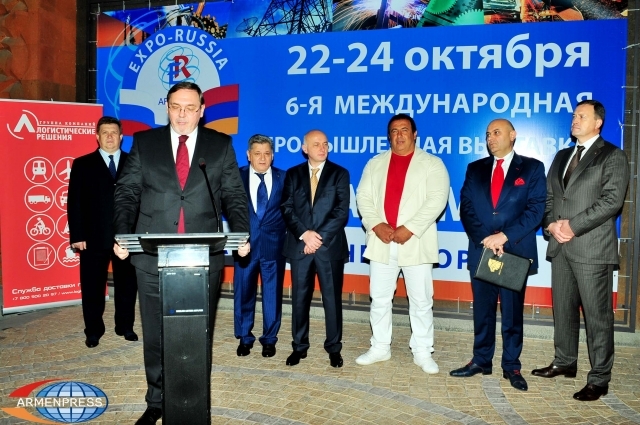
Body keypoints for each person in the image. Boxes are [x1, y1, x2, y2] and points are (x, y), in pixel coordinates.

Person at [113, 82, 250, 424]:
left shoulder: (220, 145)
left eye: (190, 107)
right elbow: (126, 192)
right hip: (150, 257)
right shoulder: (145, 143)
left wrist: (241, 234)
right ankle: (156, 400)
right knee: (156, 332)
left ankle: (195, 398)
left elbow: (234, 195)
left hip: (203, 258)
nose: (182, 114)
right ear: (167, 108)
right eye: (176, 107)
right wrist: (123, 235)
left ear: (202, 110)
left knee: (196, 332)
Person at [532, 100, 629, 401]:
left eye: (582, 116)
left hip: (591, 249)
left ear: (598, 122)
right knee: (563, 310)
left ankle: (599, 378)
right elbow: (549, 198)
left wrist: (572, 226)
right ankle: (565, 361)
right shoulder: (562, 156)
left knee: (597, 317)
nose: (575, 120)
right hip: (560, 246)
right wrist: (551, 225)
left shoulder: (612, 155)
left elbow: (611, 201)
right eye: (574, 115)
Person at [450, 119, 546, 391]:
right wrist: (485, 238)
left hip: (513, 250)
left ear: (512, 135)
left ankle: (511, 365)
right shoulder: (475, 168)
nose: (490, 138)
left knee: (512, 314)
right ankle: (481, 360)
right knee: (482, 310)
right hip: (482, 249)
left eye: (496, 133)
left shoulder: (532, 168)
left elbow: (536, 210)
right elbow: (466, 208)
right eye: (487, 134)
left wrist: (503, 236)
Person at [355, 114, 449, 374]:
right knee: (379, 299)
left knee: (421, 301)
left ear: (415, 134)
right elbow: (363, 197)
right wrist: (376, 225)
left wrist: (410, 228)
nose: (399, 135)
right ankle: (379, 347)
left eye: (404, 130)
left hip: (415, 241)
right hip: (382, 241)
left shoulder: (432, 164)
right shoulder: (375, 163)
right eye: (394, 131)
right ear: (389, 136)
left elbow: (437, 200)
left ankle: (422, 351)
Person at [280, 130, 350, 368]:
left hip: (328, 247)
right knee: (299, 299)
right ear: (305, 148)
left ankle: (334, 348)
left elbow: (341, 211)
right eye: (317, 144)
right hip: (300, 245)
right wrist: (305, 234)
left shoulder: (339, 173)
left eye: (325, 144)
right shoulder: (293, 174)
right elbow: (287, 207)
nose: (322, 148)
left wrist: (317, 238)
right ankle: (299, 347)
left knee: (332, 299)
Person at [67, 116, 138, 348]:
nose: (109, 136)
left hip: (126, 237)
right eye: (105, 132)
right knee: (92, 287)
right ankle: (93, 330)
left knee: (127, 285)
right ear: (97, 137)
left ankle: (125, 326)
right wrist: (77, 235)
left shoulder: (134, 163)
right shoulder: (82, 164)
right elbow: (74, 202)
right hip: (92, 237)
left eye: (114, 132)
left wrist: (139, 233)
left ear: (121, 136)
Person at [234, 134, 287, 358]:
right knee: (243, 292)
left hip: (274, 246)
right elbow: (229, 208)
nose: (262, 158)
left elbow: (291, 211)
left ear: (272, 155)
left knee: (272, 295)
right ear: (249, 155)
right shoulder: (236, 177)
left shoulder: (284, 178)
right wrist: (237, 237)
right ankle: (245, 338)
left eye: (266, 153)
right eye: (257, 153)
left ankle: (269, 339)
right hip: (244, 246)